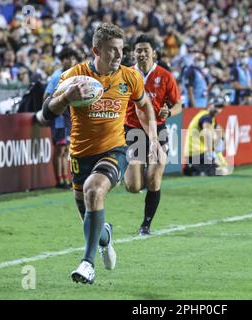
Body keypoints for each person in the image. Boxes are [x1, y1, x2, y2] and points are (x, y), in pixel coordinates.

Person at [35, 23, 160, 285]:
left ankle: (87, 264)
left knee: (94, 189)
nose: (118, 56)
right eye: (111, 50)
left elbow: (145, 106)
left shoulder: (129, 77)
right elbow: (47, 115)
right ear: (96, 50)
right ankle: (105, 235)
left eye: (120, 50)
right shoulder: (74, 76)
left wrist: (154, 140)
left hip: (115, 149)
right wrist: (66, 97)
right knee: (89, 221)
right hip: (80, 155)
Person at [124, 34, 182, 236]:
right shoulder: (126, 74)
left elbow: (177, 105)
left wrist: (169, 112)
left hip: (158, 129)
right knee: (133, 186)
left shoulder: (165, 76)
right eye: (138, 50)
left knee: (154, 177)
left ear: (153, 53)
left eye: (145, 50)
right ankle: (127, 173)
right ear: (133, 53)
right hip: (134, 130)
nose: (141, 53)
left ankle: (146, 224)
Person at [44, 48, 78, 189]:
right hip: (59, 116)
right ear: (62, 60)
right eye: (67, 58)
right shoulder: (57, 76)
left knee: (66, 149)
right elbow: (47, 95)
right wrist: (50, 111)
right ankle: (59, 180)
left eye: (72, 58)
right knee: (60, 148)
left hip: (68, 115)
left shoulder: (73, 74)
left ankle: (66, 178)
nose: (70, 61)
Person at [183, 96, 228, 177]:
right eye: (216, 106)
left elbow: (220, 130)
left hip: (193, 155)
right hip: (198, 154)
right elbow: (206, 130)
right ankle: (199, 170)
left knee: (223, 167)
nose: (218, 110)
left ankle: (194, 168)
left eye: (221, 107)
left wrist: (222, 140)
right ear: (210, 105)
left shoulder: (207, 116)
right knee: (223, 171)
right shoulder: (206, 117)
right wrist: (212, 154)